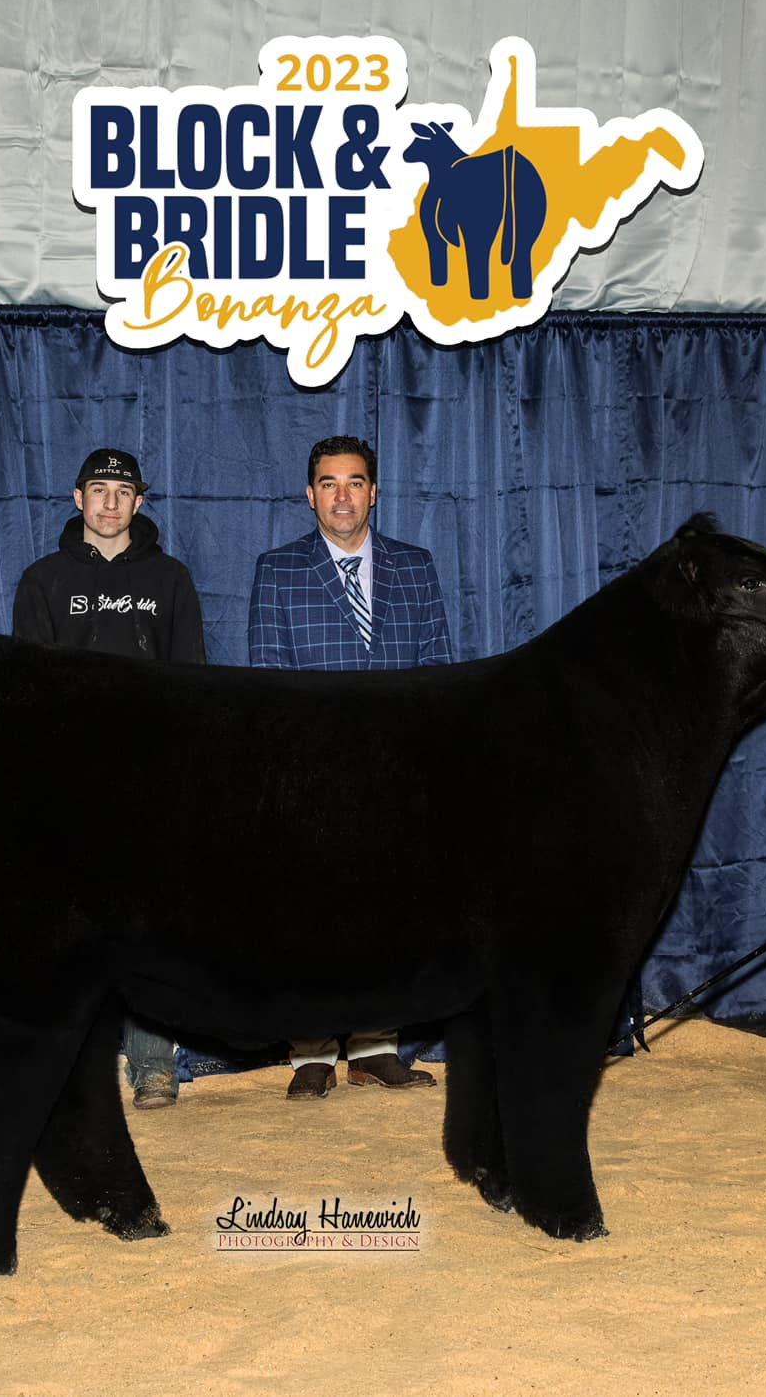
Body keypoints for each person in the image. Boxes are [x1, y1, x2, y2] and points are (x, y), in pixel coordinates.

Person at [248, 434, 450, 1099]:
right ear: (310, 496)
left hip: (396, 775)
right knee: (312, 918)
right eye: (328, 483)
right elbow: (268, 682)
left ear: (373, 492)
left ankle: (375, 1046)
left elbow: (437, 676)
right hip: (313, 777)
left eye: (354, 482)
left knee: (390, 918)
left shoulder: (416, 567)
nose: (342, 495)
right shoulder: (276, 570)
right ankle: (310, 1050)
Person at [12, 446, 205, 1108]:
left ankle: (154, 1065)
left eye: (123, 492)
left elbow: (192, 682)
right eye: (99, 490)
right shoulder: (42, 581)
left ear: (140, 502)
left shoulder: (171, 579)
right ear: (78, 498)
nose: (110, 503)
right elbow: (30, 689)